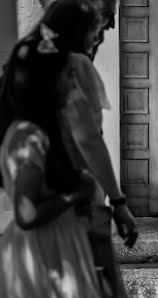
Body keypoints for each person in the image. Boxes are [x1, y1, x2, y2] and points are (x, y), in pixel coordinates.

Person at [0, 1, 105, 297]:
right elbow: (27, 214)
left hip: (61, 247)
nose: (74, 83)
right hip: (44, 255)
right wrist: (76, 191)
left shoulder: (45, 132)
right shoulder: (28, 136)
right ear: (46, 81)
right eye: (67, 75)